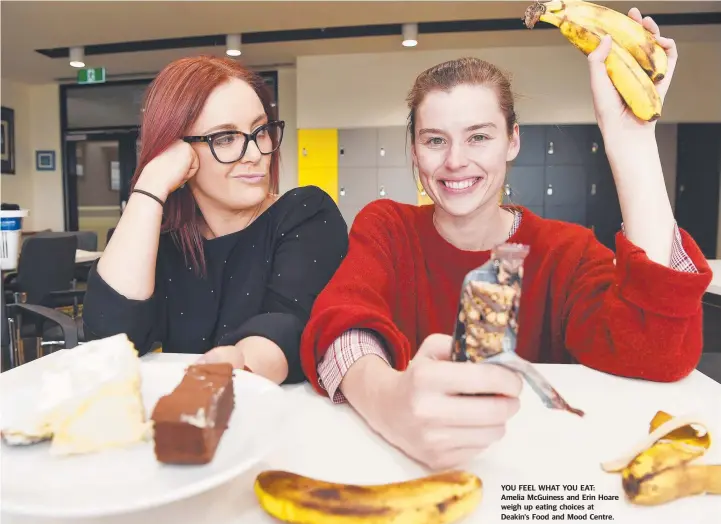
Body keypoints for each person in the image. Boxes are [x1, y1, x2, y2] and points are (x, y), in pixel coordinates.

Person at [300, 10, 712, 469]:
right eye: (435, 140)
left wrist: (632, 141)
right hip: (403, 468)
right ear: (415, 151)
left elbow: (658, 352)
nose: (456, 160)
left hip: (534, 474)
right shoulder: (388, 228)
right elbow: (341, 323)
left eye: (478, 137)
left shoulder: (566, 251)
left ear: (512, 141)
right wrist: (385, 398)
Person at [82, 56, 348, 385]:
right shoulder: (164, 240)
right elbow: (110, 340)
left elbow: (292, 321)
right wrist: (150, 186)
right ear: (178, 152)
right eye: (224, 139)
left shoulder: (306, 213)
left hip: (278, 419)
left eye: (260, 131)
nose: (254, 154)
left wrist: (239, 363)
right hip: (183, 424)